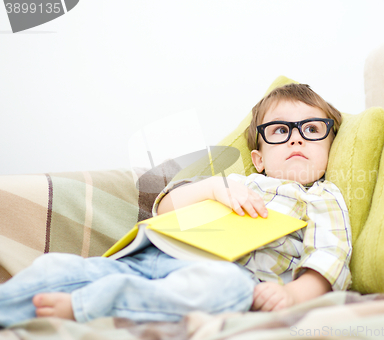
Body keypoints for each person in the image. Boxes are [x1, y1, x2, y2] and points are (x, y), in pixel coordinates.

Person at [0, 83, 351, 327]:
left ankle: (93, 304)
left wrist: (290, 295)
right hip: (152, 257)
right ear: (258, 158)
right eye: (279, 131)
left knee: (225, 288)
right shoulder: (239, 181)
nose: (296, 137)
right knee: (54, 269)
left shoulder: (322, 197)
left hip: (225, 274)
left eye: (312, 128)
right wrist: (214, 187)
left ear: (331, 144)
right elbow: (165, 209)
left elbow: (329, 257)